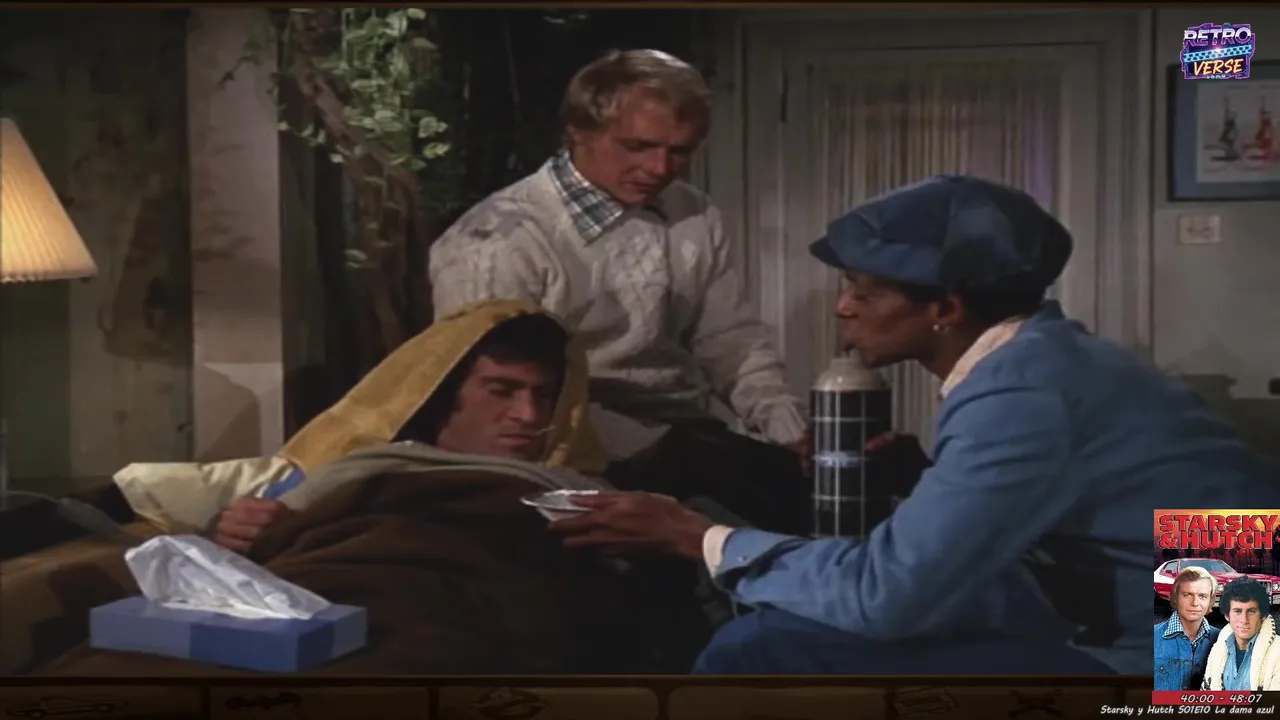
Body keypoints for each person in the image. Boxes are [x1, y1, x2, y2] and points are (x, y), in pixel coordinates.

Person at [548, 174, 1280, 675]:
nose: (843, 307)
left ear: (945, 309)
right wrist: (931, 478)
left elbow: (886, 597)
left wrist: (698, 537)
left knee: (761, 649)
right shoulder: (1045, 361)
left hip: (1209, 660)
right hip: (1155, 614)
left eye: (864, 291)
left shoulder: (1021, 393)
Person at [427, 49, 808, 463]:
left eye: (680, 151)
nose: (659, 168)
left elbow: (730, 340)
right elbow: (497, 392)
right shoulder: (498, 240)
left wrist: (788, 429)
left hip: (683, 430)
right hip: (567, 445)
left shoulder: (692, 212)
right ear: (579, 131)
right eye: (638, 146)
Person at [212, 301, 604, 553]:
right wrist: (241, 529)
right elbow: (246, 547)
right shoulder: (358, 468)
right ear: (440, 394)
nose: (529, 416)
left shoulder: (586, 498)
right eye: (501, 392)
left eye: (544, 396)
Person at [1201, 578, 1279, 690]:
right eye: (1237, 611)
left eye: (1251, 611)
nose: (1244, 620)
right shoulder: (1217, 650)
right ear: (1227, 616)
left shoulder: (1277, 653)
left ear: (1263, 615)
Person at [1155, 567, 1220, 690]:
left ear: (1210, 601)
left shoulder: (1222, 640)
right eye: (1187, 595)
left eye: (1202, 596)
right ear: (1175, 598)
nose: (1195, 603)